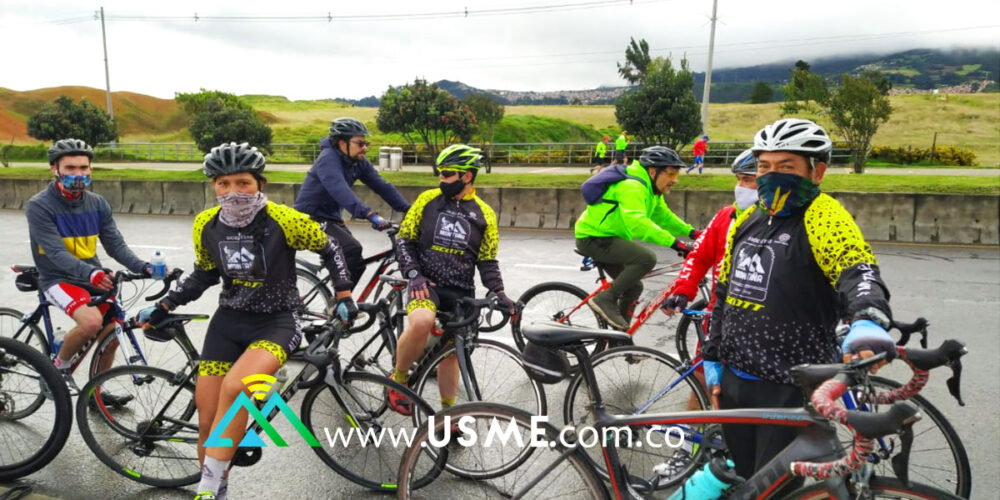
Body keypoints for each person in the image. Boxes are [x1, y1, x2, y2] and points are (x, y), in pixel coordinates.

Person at [136, 142, 357, 500]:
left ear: (260, 184)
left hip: (278, 322)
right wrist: (166, 304)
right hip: (228, 323)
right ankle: (216, 492)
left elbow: (331, 248)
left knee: (237, 389)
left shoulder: (284, 220)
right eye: (223, 184)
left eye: (243, 183)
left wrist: (344, 294)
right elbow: (204, 274)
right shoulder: (205, 224)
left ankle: (205, 493)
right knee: (208, 422)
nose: (233, 192)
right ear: (213, 186)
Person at [701, 118, 896, 487]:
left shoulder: (823, 216)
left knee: (774, 489)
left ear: (817, 171)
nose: (771, 175)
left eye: (786, 166)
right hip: (736, 379)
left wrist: (868, 317)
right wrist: (713, 357)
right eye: (764, 166)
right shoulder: (749, 218)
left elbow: (857, 269)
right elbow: (724, 290)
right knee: (745, 481)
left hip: (789, 384)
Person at [650, 149, 759, 484]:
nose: (742, 188)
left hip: (768, 331)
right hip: (721, 322)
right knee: (702, 384)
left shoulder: (791, 221)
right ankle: (685, 450)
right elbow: (698, 257)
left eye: (748, 180)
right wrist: (683, 289)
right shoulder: (726, 216)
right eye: (739, 180)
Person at [386, 144, 516, 415]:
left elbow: (487, 260)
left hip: (460, 290)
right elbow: (405, 240)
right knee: (421, 322)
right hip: (426, 283)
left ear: (467, 176)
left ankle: (449, 413)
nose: (440, 179)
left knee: (452, 353)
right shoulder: (427, 200)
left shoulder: (485, 214)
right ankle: (398, 381)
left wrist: (499, 292)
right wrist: (413, 274)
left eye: (447, 174)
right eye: (440, 173)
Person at [25, 138, 151, 394]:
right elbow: (56, 253)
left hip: (90, 276)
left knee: (111, 335)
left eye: (84, 168)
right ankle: (56, 370)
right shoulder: (39, 205)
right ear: (54, 169)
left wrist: (145, 267)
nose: (78, 174)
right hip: (57, 277)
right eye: (70, 168)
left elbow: (115, 246)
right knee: (92, 323)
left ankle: (97, 393)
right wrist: (91, 272)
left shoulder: (97, 203)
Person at [574, 146, 697, 330]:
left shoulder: (650, 187)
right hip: (593, 238)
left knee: (633, 287)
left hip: (609, 237)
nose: (675, 180)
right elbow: (637, 223)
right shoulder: (632, 186)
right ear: (653, 171)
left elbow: (663, 215)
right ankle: (605, 299)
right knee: (646, 258)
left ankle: (620, 340)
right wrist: (675, 244)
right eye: (671, 174)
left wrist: (691, 232)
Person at [294, 117, 411, 286]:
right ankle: (339, 304)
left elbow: (382, 186)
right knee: (351, 249)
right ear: (342, 143)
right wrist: (369, 214)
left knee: (357, 264)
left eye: (366, 143)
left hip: (331, 218)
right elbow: (340, 191)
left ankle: (340, 301)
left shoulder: (357, 162)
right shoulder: (328, 159)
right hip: (311, 218)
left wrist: (409, 209)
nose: (365, 148)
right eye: (360, 143)